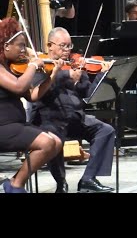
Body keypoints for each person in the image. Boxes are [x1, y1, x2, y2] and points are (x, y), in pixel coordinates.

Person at [31, 27, 116, 193]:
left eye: (69, 46)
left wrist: (102, 75)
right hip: (50, 118)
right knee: (54, 138)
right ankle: (60, 182)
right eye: (63, 46)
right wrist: (64, 74)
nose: (67, 50)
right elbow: (38, 90)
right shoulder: (40, 65)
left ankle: (88, 178)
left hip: (76, 117)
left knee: (106, 130)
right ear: (50, 45)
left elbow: (89, 95)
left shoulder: (76, 67)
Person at [0, 18, 63, 193]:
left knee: (56, 143)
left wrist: (52, 75)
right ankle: (16, 185)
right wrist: (33, 65)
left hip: (16, 124)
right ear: (6, 47)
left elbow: (32, 96)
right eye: (20, 46)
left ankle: (13, 181)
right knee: (46, 143)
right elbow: (19, 86)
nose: (24, 50)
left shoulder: (12, 67)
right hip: (2, 126)